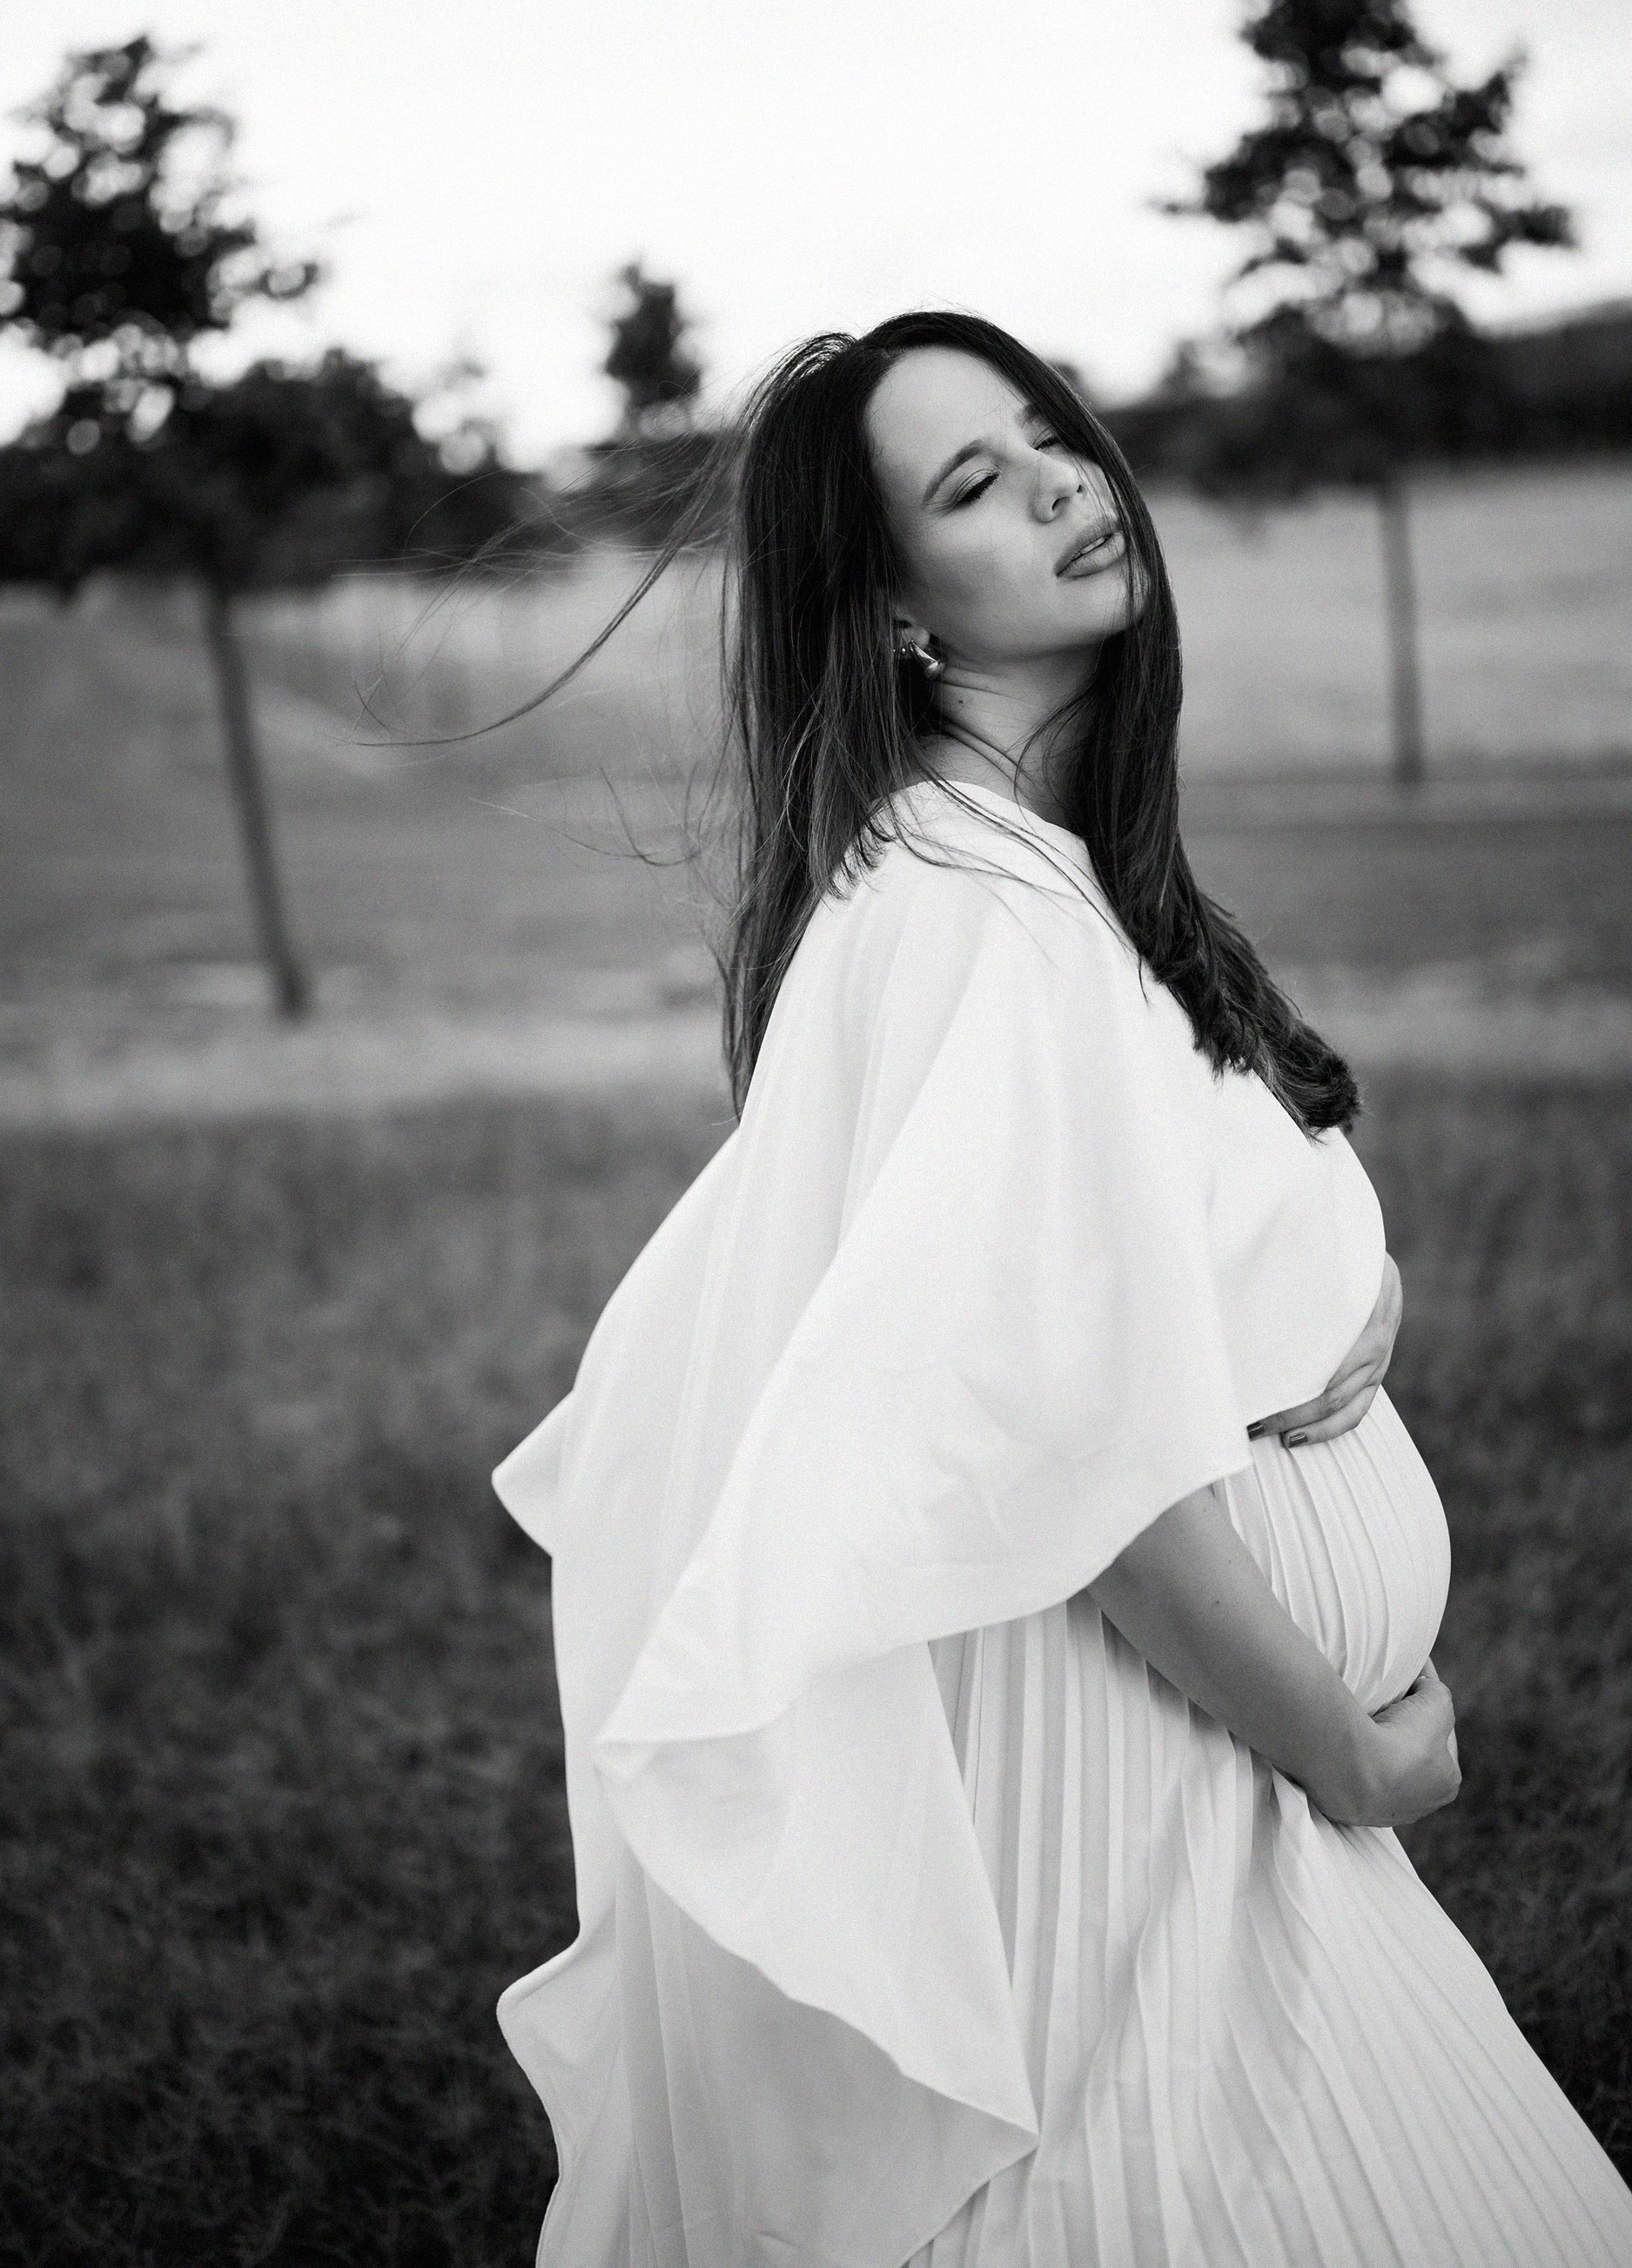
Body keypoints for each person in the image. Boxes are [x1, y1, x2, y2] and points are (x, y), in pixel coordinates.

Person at [491, 312, 1632, 2266]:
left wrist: (1325, 1303)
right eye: (967, 485)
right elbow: (1077, 1456)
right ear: (897, 615)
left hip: (1187, 1803)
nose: (1054, 486)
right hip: (1156, 1793)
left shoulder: (1023, 880)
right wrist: (1340, 1750)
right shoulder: (971, 918)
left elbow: (1095, 1300)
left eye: (1044, 438)